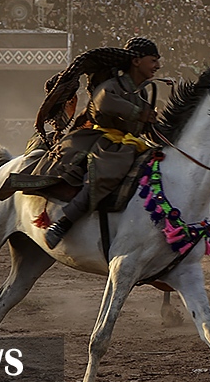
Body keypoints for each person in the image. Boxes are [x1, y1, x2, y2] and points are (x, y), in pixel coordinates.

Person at [29, 37, 162, 249]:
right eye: (153, 60)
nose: (157, 66)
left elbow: (144, 126)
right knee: (106, 175)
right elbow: (103, 102)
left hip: (130, 143)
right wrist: (139, 113)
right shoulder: (112, 85)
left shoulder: (143, 92)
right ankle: (64, 223)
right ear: (136, 61)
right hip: (104, 142)